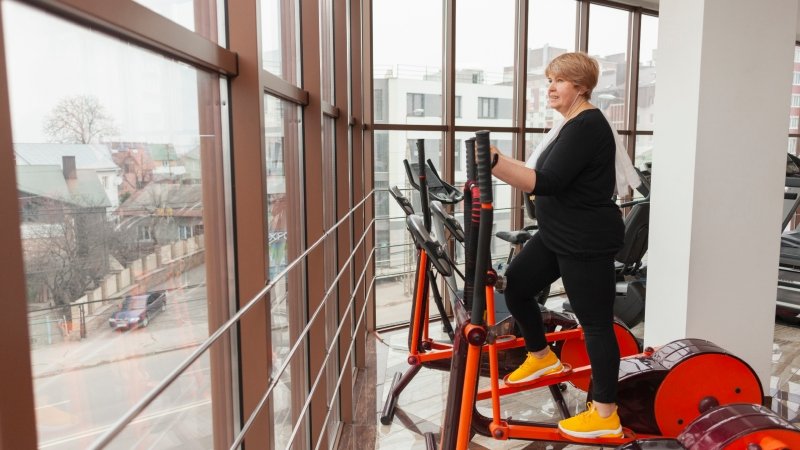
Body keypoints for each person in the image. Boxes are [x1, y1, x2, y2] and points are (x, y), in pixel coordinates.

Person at [485, 52, 639, 439]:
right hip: (558, 233)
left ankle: (605, 414)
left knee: (596, 325)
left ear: (581, 87)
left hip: (584, 239)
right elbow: (539, 169)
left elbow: (547, 182)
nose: (550, 88)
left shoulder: (588, 125)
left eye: (559, 81)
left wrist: (492, 163)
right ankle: (542, 357)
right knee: (518, 284)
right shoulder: (568, 125)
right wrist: (499, 157)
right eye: (549, 80)